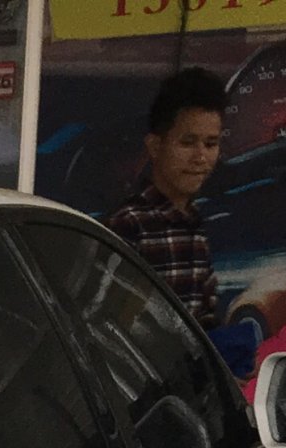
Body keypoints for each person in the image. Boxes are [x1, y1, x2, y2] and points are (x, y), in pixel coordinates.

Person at [105, 67, 225, 330]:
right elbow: (110, 323)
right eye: (187, 143)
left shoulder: (194, 223)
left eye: (210, 144)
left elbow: (205, 319)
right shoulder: (129, 225)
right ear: (155, 146)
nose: (200, 157)